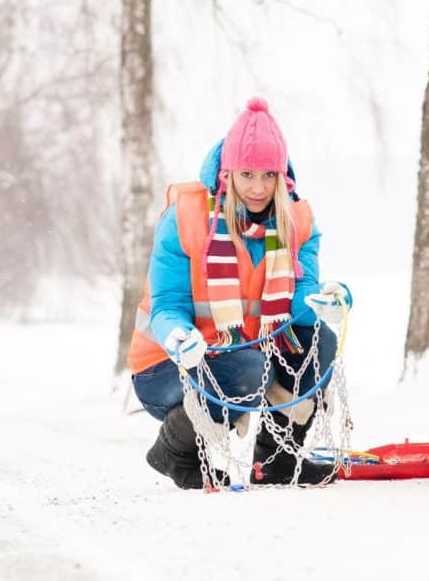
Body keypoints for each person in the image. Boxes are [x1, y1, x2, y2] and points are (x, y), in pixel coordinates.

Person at [128, 97, 351, 489]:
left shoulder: (297, 220)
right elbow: (167, 304)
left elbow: (300, 291)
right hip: (168, 360)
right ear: (228, 172)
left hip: (245, 350)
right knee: (248, 373)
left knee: (319, 343)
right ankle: (173, 451)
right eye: (247, 174)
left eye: (269, 176)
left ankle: (276, 462)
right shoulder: (185, 216)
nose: (258, 188)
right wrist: (176, 335)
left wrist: (322, 300)